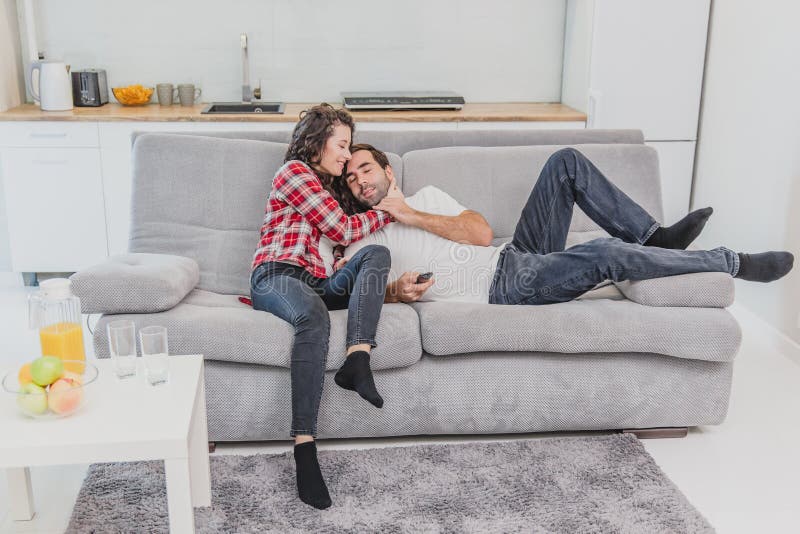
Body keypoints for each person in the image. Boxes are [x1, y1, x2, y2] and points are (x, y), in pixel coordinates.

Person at [328, 143, 793, 305]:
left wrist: (410, 213)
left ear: (388, 172)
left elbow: (480, 233)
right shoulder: (368, 236)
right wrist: (395, 292)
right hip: (505, 288)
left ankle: (655, 237)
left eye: (365, 168)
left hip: (510, 254)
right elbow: (353, 291)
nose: (358, 179)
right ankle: (733, 262)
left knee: (565, 163)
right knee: (604, 253)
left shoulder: (424, 199)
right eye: (350, 177)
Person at [250, 105, 397, 510]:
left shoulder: (328, 189)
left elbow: (340, 244)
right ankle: (305, 449)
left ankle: (358, 361)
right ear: (317, 141)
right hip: (276, 276)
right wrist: (387, 212)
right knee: (312, 317)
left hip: (314, 280)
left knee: (376, 256)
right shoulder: (294, 173)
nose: (348, 156)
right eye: (343, 145)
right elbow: (341, 229)